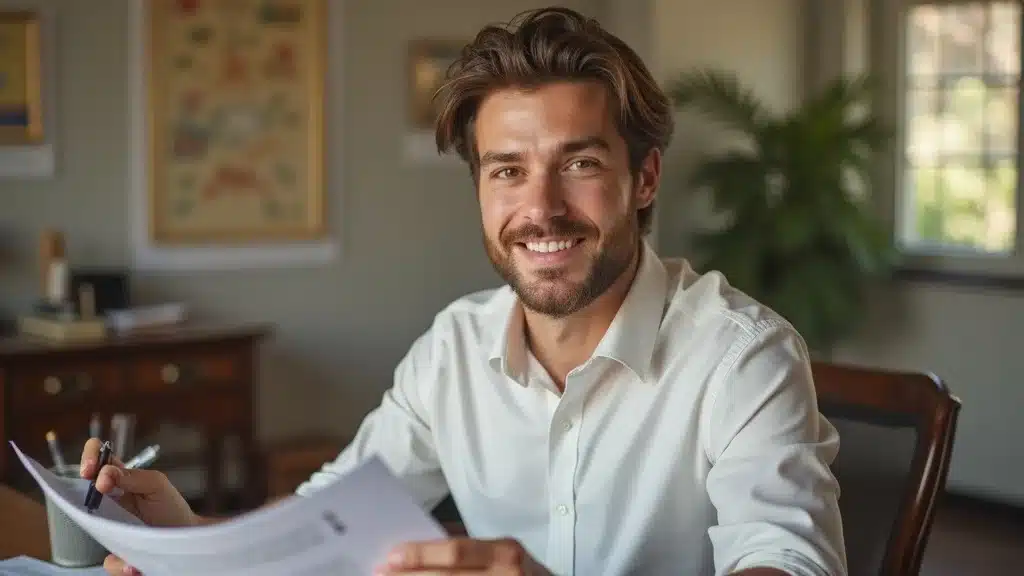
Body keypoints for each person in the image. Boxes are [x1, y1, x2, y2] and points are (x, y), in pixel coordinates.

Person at [80, 6, 846, 575]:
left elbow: (786, 560)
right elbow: (329, 519)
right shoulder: (453, 349)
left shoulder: (744, 358)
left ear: (643, 179)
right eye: (508, 170)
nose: (540, 209)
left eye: (579, 164)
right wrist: (187, 535)